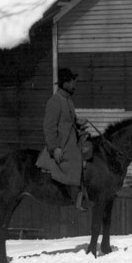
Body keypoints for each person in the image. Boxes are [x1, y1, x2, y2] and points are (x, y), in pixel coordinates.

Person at [37, 67, 91, 210]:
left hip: (72, 141)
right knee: (75, 159)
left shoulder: (68, 101)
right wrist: (55, 148)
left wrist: (78, 122)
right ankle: (76, 197)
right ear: (65, 83)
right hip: (62, 145)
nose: (75, 85)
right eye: (72, 82)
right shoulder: (55, 101)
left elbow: (68, 120)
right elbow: (49, 127)